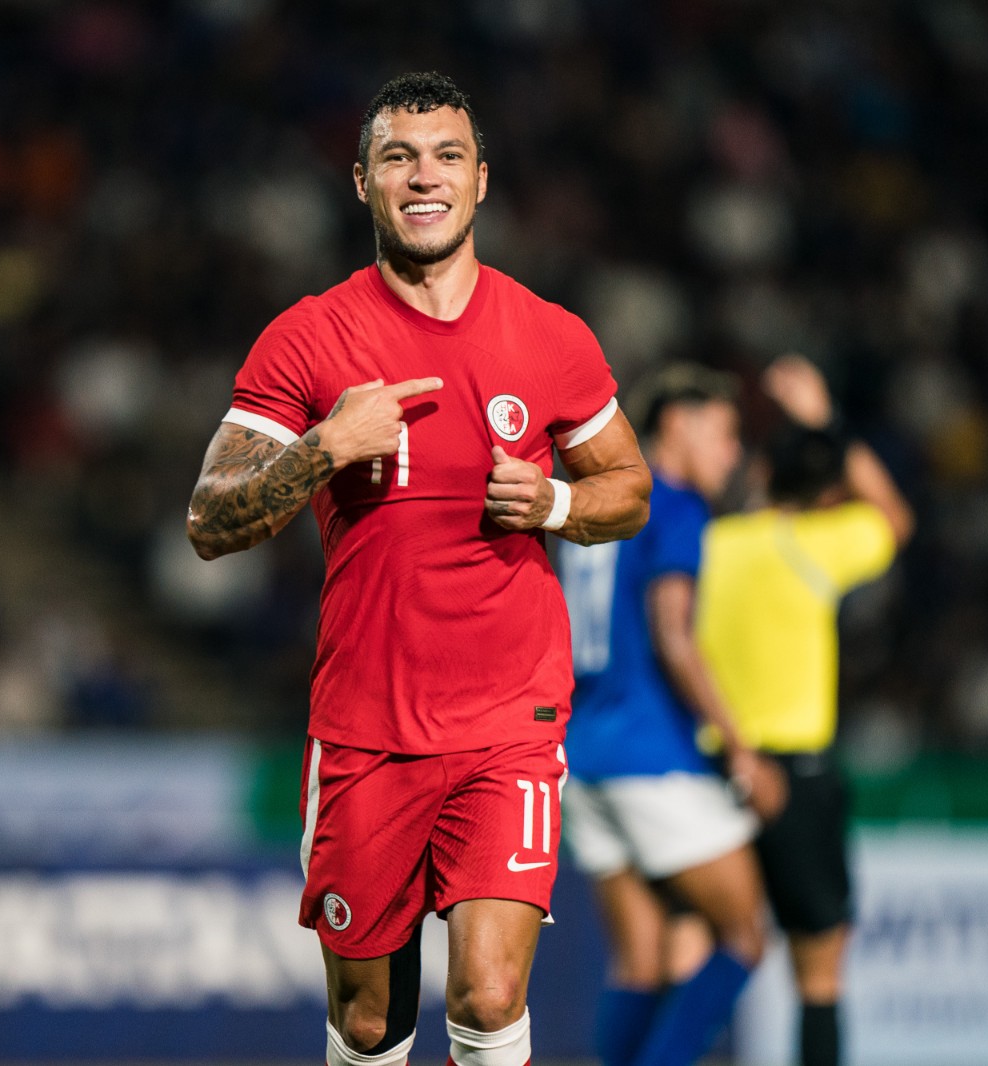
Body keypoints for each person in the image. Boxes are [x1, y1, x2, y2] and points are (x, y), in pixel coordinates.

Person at [185, 72, 651, 1066]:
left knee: (488, 994)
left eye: (446, 156)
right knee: (368, 1022)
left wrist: (555, 504)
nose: (423, 176)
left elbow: (629, 487)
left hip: (509, 718)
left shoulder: (550, 335)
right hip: (367, 725)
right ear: (363, 182)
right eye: (398, 157)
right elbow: (209, 522)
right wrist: (326, 445)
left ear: (480, 179)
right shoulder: (309, 337)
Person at [557, 363, 785, 1066]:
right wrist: (741, 749)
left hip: (582, 754)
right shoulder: (674, 504)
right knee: (745, 935)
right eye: (724, 433)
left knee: (640, 961)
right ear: (676, 424)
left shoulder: (590, 506)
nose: (733, 453)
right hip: (650, 752)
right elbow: (673, 635)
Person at [697, 355, 913, 1066]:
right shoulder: (817, 544)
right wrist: (825, 423)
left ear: (761, 475)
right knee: (818, 973)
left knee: (694, 952)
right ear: (826, 493)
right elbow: (893, 516)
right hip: (797, 776)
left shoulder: (709, 546)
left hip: (710, 769)